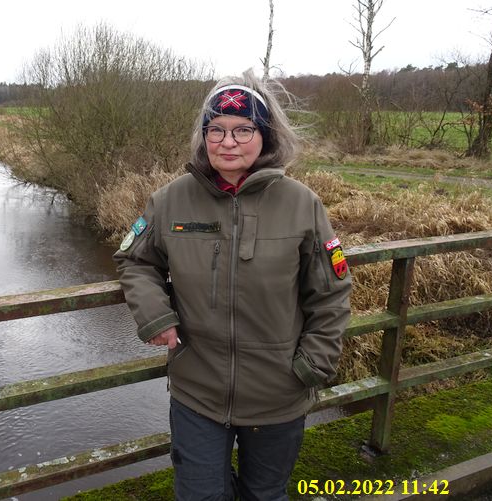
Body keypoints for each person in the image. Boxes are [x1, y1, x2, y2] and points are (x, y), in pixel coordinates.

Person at [113, 70, 352, 501]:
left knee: (266, 495)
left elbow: (331, 292)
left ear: (266, 136)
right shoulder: (170, 200)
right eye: (216, 130)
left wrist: (312, 366)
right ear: (203, 137)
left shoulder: (302, 204)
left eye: (243, 130)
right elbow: (135, 260)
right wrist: (155, 315)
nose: (228, 142)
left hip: (279, 393)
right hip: (197, 392)